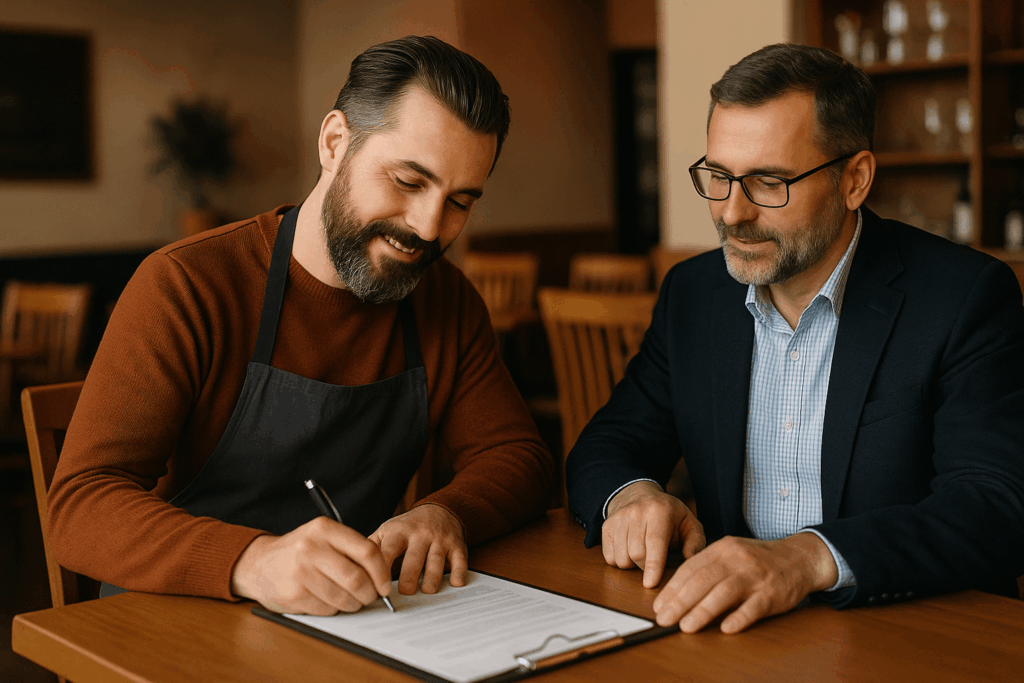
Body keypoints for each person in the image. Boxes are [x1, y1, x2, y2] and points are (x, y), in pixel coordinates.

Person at [48, 35, 554, 616]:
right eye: (408, 182)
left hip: (352, 622)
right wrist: (252, 561)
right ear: (335, 143)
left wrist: (445, 513)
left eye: (460, 201)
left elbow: (519, 456)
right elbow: (80, 506)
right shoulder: (186, 285)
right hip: (175, 618)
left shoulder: (446, 300)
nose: (429, 227)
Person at [566, 42, 1024, 635]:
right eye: (719, 177)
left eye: (768, 182)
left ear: (854, 180)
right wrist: (632, 496)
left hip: (909, 633)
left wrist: (805, 559)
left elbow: (995, 505)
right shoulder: (694, 294)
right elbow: (607, 444)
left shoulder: (964, 296)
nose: (732, 213)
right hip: (736, 632)